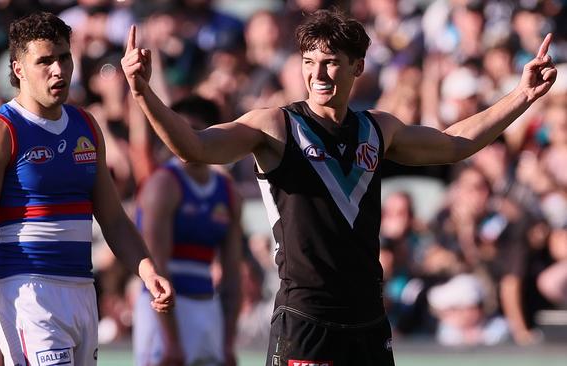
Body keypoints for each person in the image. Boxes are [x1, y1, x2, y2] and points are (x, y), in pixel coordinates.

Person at [121, 8, 556, 365]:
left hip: (369, 321)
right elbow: (194, 148)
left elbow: (455, 145)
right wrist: (143, 93)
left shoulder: (378, 129)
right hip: (305, 318)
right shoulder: (275, 127)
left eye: (330, 61)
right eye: (309, 62)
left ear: (357, 67)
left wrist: (522, 95)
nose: (319, 73)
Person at [0, 12, 173, 366]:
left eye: (64, 58)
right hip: (28, 295)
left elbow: (114, 220)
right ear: (18, 69)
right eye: (44, 61)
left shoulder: (86, 126)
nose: (58, 70)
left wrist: (147, 270)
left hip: (83, 294)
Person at [133, 95, 242, 366]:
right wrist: (172, 341)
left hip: (207, 309)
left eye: (192, 129)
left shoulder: (228, 193)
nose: (181, 136)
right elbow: (158, 267)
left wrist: (228, 342)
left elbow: (232, 277)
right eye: (177, 128)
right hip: (164, 310)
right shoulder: (163, 185)